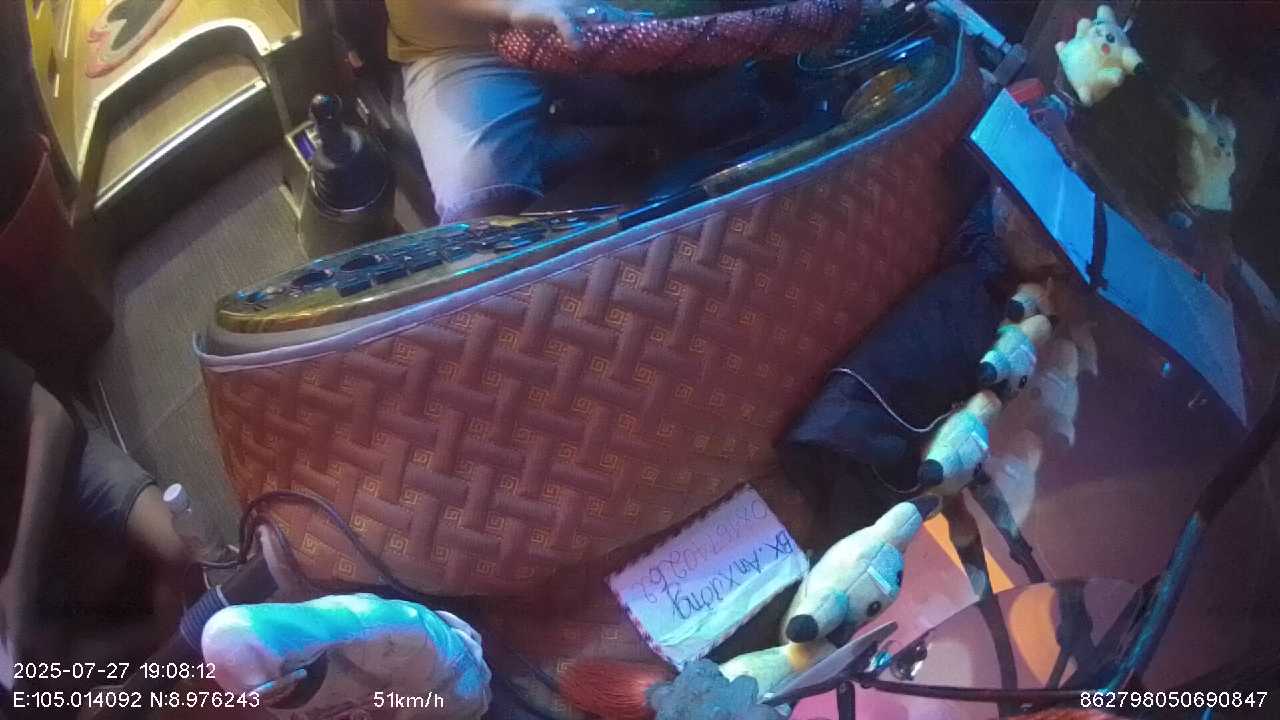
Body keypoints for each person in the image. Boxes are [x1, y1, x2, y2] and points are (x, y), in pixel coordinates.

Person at [0, 348, 189, 693]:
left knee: (179, 545)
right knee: (35, 679)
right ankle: (155, 682)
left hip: (59, 455)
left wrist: (21, 576)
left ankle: (173, 674)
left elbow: (51, 418)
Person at [386, 0, 639, 224]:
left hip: (575, 19)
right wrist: (511, 5)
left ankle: (611, 142)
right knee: (480, 208)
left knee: (658, 92)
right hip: (461, 49)